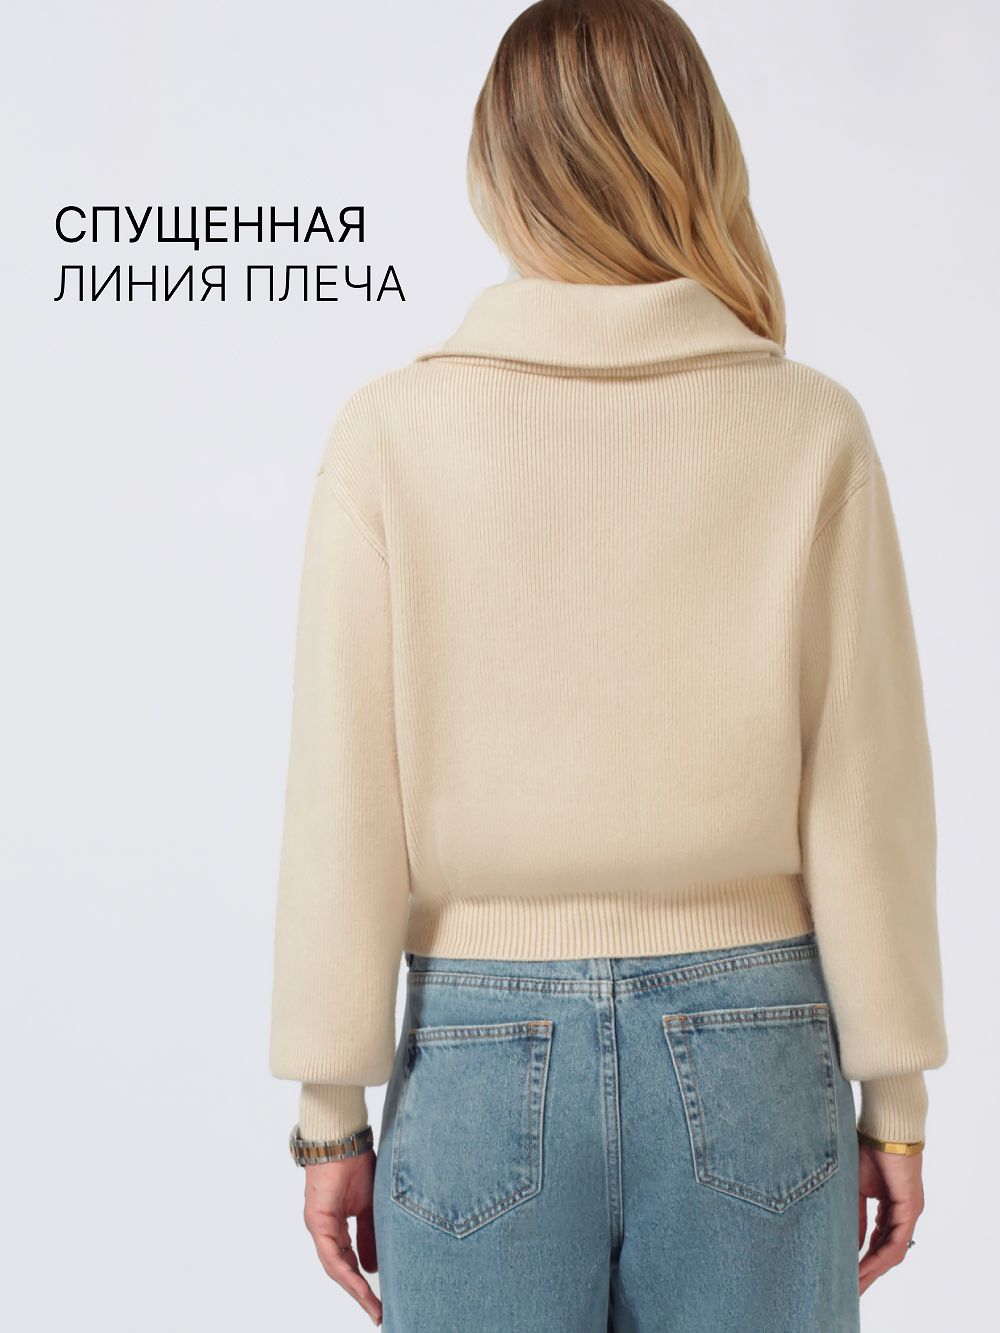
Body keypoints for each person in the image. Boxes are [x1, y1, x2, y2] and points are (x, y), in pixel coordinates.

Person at [268, 2, 947, 1329]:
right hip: (758, 1041)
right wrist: (898, 1094)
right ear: (697, 152)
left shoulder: (392, 434)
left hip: (477, 1050)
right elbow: (864, 787)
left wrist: (329, 1108)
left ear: (498, 168)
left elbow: (343, 793)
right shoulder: (808, 428)